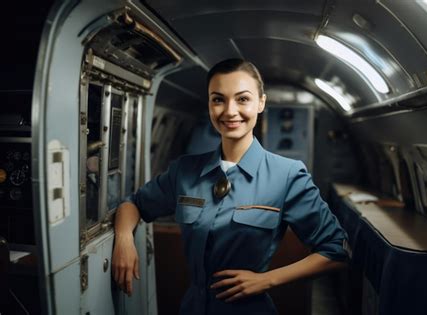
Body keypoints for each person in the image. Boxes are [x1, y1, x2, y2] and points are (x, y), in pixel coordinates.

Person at [112, 58, 348, 315]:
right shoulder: (185, 171)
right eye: (218, 99)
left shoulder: (287, 175)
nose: (229, 111)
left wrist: (266, 280)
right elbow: (133, 204)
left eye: (242, 99)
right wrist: (124, 239)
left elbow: (336, 251)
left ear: (261, 103)